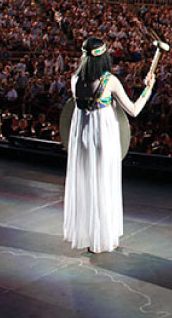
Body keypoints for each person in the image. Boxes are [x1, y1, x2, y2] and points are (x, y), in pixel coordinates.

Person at [62, 37, 155, 252]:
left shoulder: (75, 79)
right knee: (104, 185)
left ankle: (89, 236)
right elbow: (133, 110)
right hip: (103, 137)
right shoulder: (109, 81)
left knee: (87, 184)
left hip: (82, 137)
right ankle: (102, 239)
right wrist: (148, 89)